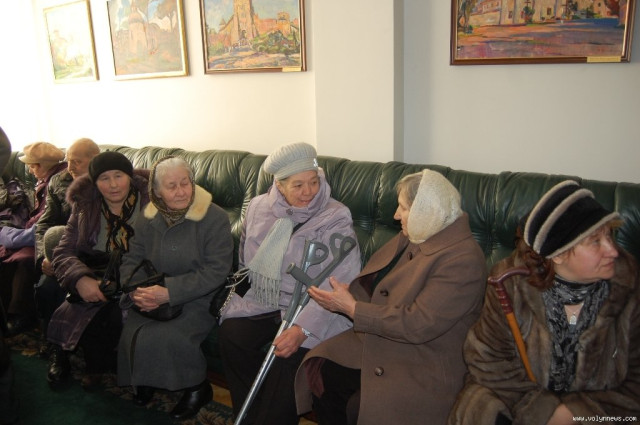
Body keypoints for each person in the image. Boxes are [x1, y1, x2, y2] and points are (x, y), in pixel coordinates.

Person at [294, 169, 487, 425]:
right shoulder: (421, 232)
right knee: (323, 368)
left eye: (403, 208)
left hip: (424, 357)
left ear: (425, 211)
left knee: (361, 403)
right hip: (388, 339)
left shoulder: (463, 260)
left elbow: (419, 324)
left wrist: (353, 309)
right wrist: (344, 296)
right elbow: (376, 281)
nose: (396, 215)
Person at [448, 180, 640, 425]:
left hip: (601, 408)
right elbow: (488, 358)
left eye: (609, 236)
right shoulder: (510, 285)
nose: (612, 250)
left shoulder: (628, 286)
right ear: (558, 255)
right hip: (518, 397)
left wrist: (576, 414)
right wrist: (542, 410)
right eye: (595, 242)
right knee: (479, 409)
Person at [218, 142, 362, 425]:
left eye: (314, 182)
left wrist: (301, 329)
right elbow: (246, 260)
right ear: (279, 185)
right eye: (298, 185)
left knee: (286, 356)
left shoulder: (336, 216)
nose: (309, 191)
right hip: (266, 298)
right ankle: (250, 414)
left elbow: (339, 282)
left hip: (314, 306)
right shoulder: (258, 207)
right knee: (232, 335)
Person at [117, 156, 233, 420]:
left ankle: (197, 387)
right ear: (157, 191)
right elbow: (132, 258)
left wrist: (170, 292)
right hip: (152, 290)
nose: (181, 191)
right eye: (171, 186)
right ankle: (145, 378)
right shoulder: (148, 216)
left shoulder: (214, 217)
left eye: (185, 183)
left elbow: (217, 270)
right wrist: (135, 290)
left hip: (197, 295)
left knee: (171, 335)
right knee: (134, 328)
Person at [46, 151, 149, 390]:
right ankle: (70, 357)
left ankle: (107, 366)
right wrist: (80, 278)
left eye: (118, 176)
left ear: (130, 176)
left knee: (112, 310)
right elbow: (63, 250)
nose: (113, 185)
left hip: (136, 272)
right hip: (95, 271)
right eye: (104, 178)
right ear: (95, 182)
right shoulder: (84, 205)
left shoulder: (151, 203)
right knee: (75, 299)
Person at [33, 138, 100, 356]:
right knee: (46, 288)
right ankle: (52, 342)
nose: (70, 167)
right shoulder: (58, 181)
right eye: (68, 160)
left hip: (92, 257)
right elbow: (44, 224)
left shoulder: (107, 183)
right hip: (61, 253)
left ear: (94, 160)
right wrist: (44, 256)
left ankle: (72, 348)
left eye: (77, 162)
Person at [0, 141, 66, 336]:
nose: (29, 171)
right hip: (34, 233)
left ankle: (20, 315)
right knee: (8, 254)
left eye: (32, 166)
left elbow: (46, 224)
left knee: (25, 258)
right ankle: (7, 314)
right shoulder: (45, 180)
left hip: (51, 238)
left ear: (42, 166)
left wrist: (8, 235)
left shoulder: (58, 182)